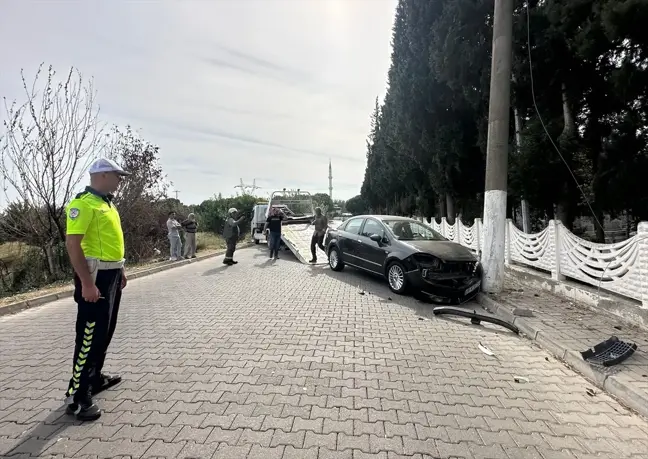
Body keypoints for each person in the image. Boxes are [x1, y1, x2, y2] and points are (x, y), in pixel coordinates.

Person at [63, 158, 130, 421]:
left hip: (111, 273)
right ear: (102, 175)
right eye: (117, 175)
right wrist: (87, 284)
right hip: (94, 277)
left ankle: (94, 378)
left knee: (105, 331)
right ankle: (77, 396)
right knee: (89, 336)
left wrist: (120, 269)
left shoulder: (107, 204)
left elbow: (109, 242)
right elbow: (72, 245)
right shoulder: (82, 204)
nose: (120, 180)